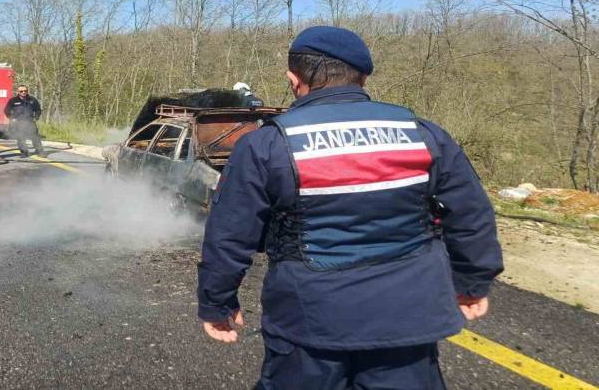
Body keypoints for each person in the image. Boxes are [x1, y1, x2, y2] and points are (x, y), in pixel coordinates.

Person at [197, 26, 503, 389]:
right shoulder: (421, 133)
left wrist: (217, 303)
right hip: (408, 319)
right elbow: (470, 213)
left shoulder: (267, 144)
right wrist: (472, 280)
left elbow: (230, 234)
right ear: (364, 76)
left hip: (310, 323)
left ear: (294, 79)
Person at [4, 84, 45, 157]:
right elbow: (6, 110)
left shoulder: (32, 99)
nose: (23, 92)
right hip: (18, 123)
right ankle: (24, 152)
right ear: (18, 92)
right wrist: (11, 118)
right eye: (21, 91)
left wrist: (36, 118)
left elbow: (38, 110)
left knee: (35, 137)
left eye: (25, 91)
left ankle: (39, 151)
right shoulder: (13, 100)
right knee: (21, 137)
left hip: (30, 122)